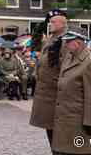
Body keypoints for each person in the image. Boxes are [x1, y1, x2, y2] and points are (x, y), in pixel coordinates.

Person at [50, 27, 91, 155]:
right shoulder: (68, 58)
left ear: (78, 43)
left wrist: (89, 122)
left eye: (68, 42)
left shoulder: (90, 63)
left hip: (76, 123)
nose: (65, 45)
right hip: (62, 120)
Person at [30, 9, 68, 149]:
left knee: (58, 132)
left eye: (53, 22)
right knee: (50, 129)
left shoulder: (65, 41)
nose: (49, 24)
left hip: (55, 93)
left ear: (63, 24)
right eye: (49, 22)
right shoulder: (51, 39)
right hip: (46, 93)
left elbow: (66, 66)